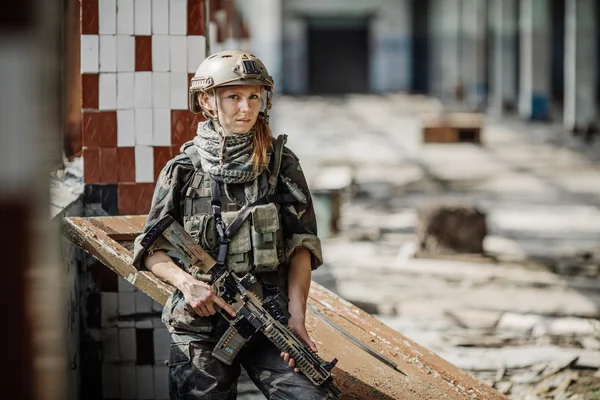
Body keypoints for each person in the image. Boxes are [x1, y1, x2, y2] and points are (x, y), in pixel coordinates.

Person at [132, 50, 330, 400]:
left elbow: (302, 245)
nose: (246, 108)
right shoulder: (183, 170)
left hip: (269, 322)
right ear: (207, 101)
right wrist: (186, 283)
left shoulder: (281, 165)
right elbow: (151, 250)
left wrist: (296, 317)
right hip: (200, 327)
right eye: (234, 97)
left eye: (254, 96)